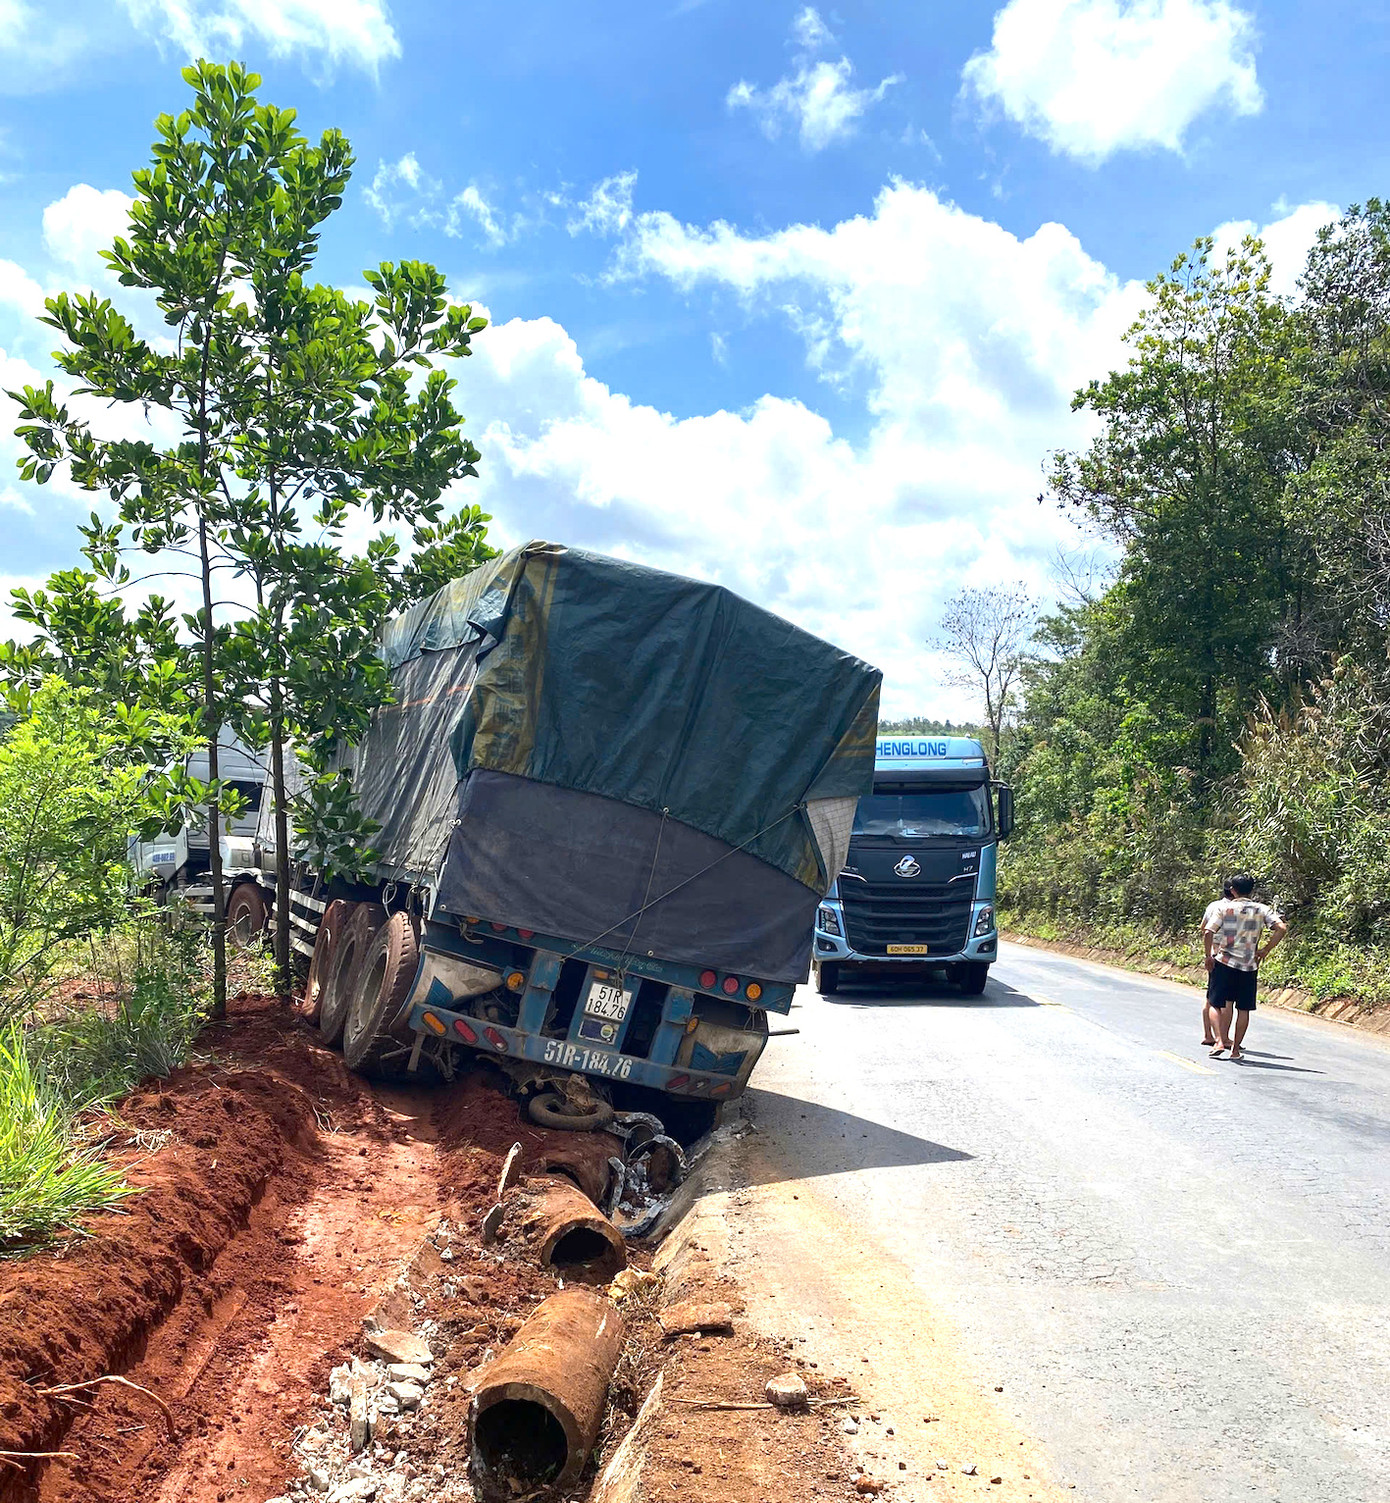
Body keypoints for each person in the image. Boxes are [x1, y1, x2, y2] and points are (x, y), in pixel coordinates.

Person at [1203, 874, 1287, 1060]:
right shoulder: (1262, 909)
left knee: (1215, 1003)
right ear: (1251, 890)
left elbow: (1208, 931)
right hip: (1249, 965)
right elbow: (1281, 927)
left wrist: (1208, 956)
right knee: (1244, 1009)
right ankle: (1235, 1050)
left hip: (1225, 961)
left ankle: (1218, 1040)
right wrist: (1265, 950)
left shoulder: (1225, 908)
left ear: (1232, 890)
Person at [1198, 880, 1235, 1046]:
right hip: (1230, 955)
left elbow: (1204, 927)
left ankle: (1208, 1035)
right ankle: (1224, 1038)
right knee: (1227, 999)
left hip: (1213, 952)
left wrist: (1209, 952)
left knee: (1210, 996)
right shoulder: (1238, 909)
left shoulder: (1213, 906)